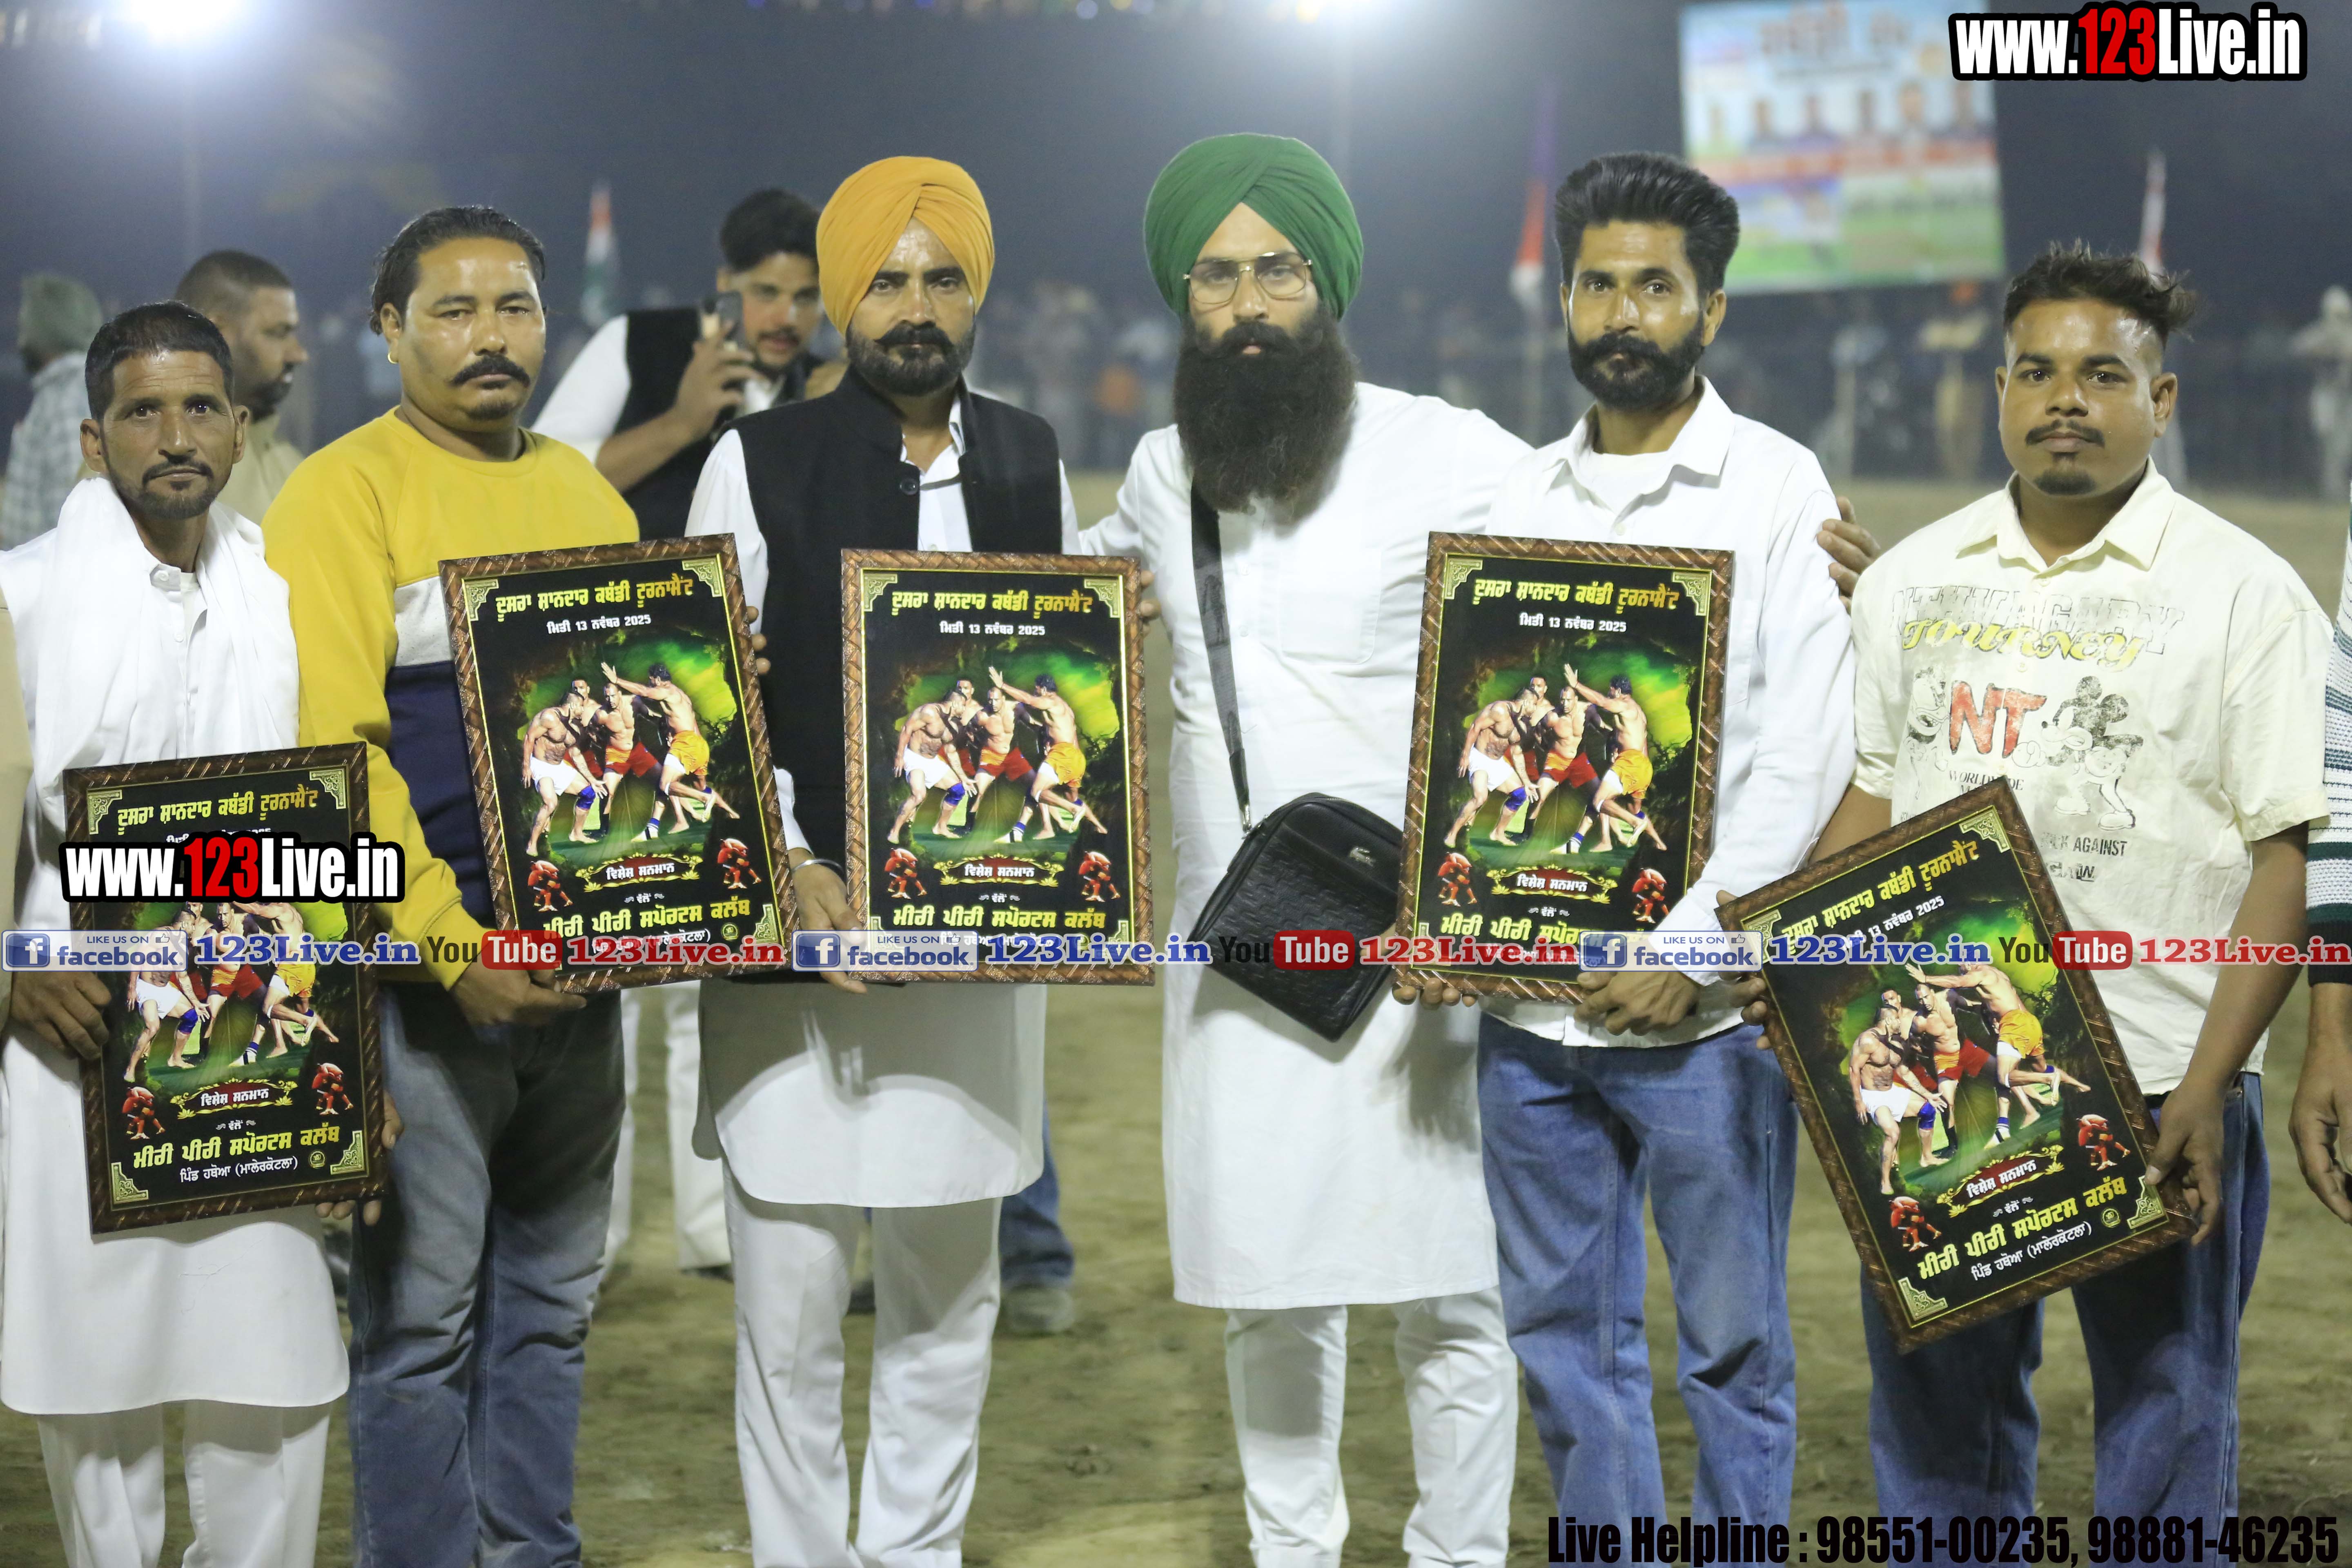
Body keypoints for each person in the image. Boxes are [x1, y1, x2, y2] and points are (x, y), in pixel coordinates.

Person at [1780, 243, 2326, 1535]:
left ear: (2162, 398)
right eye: (2037, 371)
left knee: (2168, 1421)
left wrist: (2210, 1089)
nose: (2066, 399)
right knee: (1940, 1421)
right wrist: (1796, 955)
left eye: (2104, 374)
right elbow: (1878, 794)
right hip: (1948, 1073)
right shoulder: (1913, 581)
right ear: (2000, 388)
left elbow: (2285, 860)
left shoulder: (2247, 594)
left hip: (2159, 1075)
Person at [1083, 132, 1535, 1568]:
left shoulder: (1448, 449)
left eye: (1278, 270)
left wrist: (1815, 555)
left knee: (1456, 1291)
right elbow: (1033, 601)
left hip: (1420, 948)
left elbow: (1615, 568)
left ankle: (1459, 1553)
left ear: (1328, 284)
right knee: (1270, 1288)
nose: (1248, 305)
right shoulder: (1162, 473)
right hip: (1239, 949)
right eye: (1216, 276)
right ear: (1181, 297)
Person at [1418, 152, 1860, 1532]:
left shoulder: (1778, 488)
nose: (1623, 313)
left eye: (1655, 288)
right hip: (1529, 1021)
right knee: (1564, 1346)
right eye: (1598, 285)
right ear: (1566, 301)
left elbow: (1805, 750)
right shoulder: (1515, 505)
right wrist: (1455, 923)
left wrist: (1694, 952)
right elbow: (1477, 742)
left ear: (1710, 311)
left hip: (1706, 1027)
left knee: (1732, 1350)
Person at [684, 156, 1081, 1566]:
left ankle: (914, 1553)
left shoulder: (1030, 457)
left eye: (944, 278)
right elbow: (708, 697)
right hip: (803, 956)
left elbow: (1060, 701)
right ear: (846, 298)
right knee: (789, 1315)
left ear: (978, 294)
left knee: (947, 1306)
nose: (917, 306)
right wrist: (792, 865)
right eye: (889, 279)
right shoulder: (758, 461)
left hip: (971, 960)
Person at [263, 206, 637, 1565]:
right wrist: (448, 944)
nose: (491, 337)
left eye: (515, 307)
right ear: (390, 330)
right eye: (455, 310)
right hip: (427, 988)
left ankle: (534, 1552)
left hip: (583, 982)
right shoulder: (339, 496)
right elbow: (333, 759)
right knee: (417, 1327)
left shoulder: (588, 497)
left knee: (551, 1307)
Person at [2, 301, 384, 1568]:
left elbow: (326, 828)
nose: (175, 435)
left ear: (238, 426)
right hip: (75, 1030)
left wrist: (354, 1054)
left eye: (201, 406)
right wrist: (9, 977)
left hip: (260, 1032)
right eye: (143, 411)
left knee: (272, 1365)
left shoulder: (282, 592)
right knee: (94, 1375)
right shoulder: (18, 597)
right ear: (92, 441)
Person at [538, 186, 842, 540]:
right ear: (725, 283)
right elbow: (541, 482)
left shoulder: (829, 389)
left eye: (806, 298)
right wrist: (680, 425)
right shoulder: (639, 341)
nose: (787, 318)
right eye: (766, 293)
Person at [174, 248, 310, 520]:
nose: (299, 354)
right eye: (277, 333)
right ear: (216, 333)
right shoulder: (146, 466)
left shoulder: (292, 464)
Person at [1, 272, 104, 548]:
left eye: (26, 326)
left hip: (47, 569)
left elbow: (75, 512)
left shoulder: (68, 397)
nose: (21, 339)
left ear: (48, 328)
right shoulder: (65, 389)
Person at [2291, 285, 2352, 503]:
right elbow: (2297, 347)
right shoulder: (2320, 333)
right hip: (2326, 393)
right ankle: (2331, 492)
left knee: (2345, 447)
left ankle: (2340, 491)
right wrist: (2323, 351)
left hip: (2348, 397)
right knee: (2326, 441)